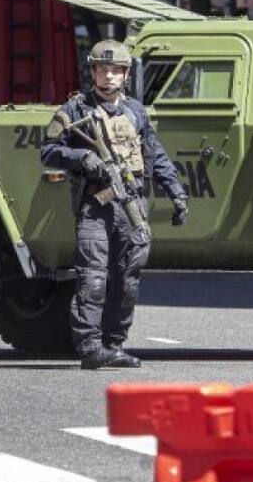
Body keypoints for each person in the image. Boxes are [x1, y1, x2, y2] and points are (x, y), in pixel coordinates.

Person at [41, 39, 188, 370]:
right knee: (93, 278)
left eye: (116, 71)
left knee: (128, 279)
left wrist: (176, 193)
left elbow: (155, 155)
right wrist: (82, 157)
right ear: (93, 72)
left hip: (131, 203)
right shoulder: (74, 111)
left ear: (125, 75)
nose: (109, 77)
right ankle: (90, 347)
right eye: (103, 70)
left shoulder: (136, 111)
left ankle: (114, 344)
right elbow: (48, 150)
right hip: (95, 206)